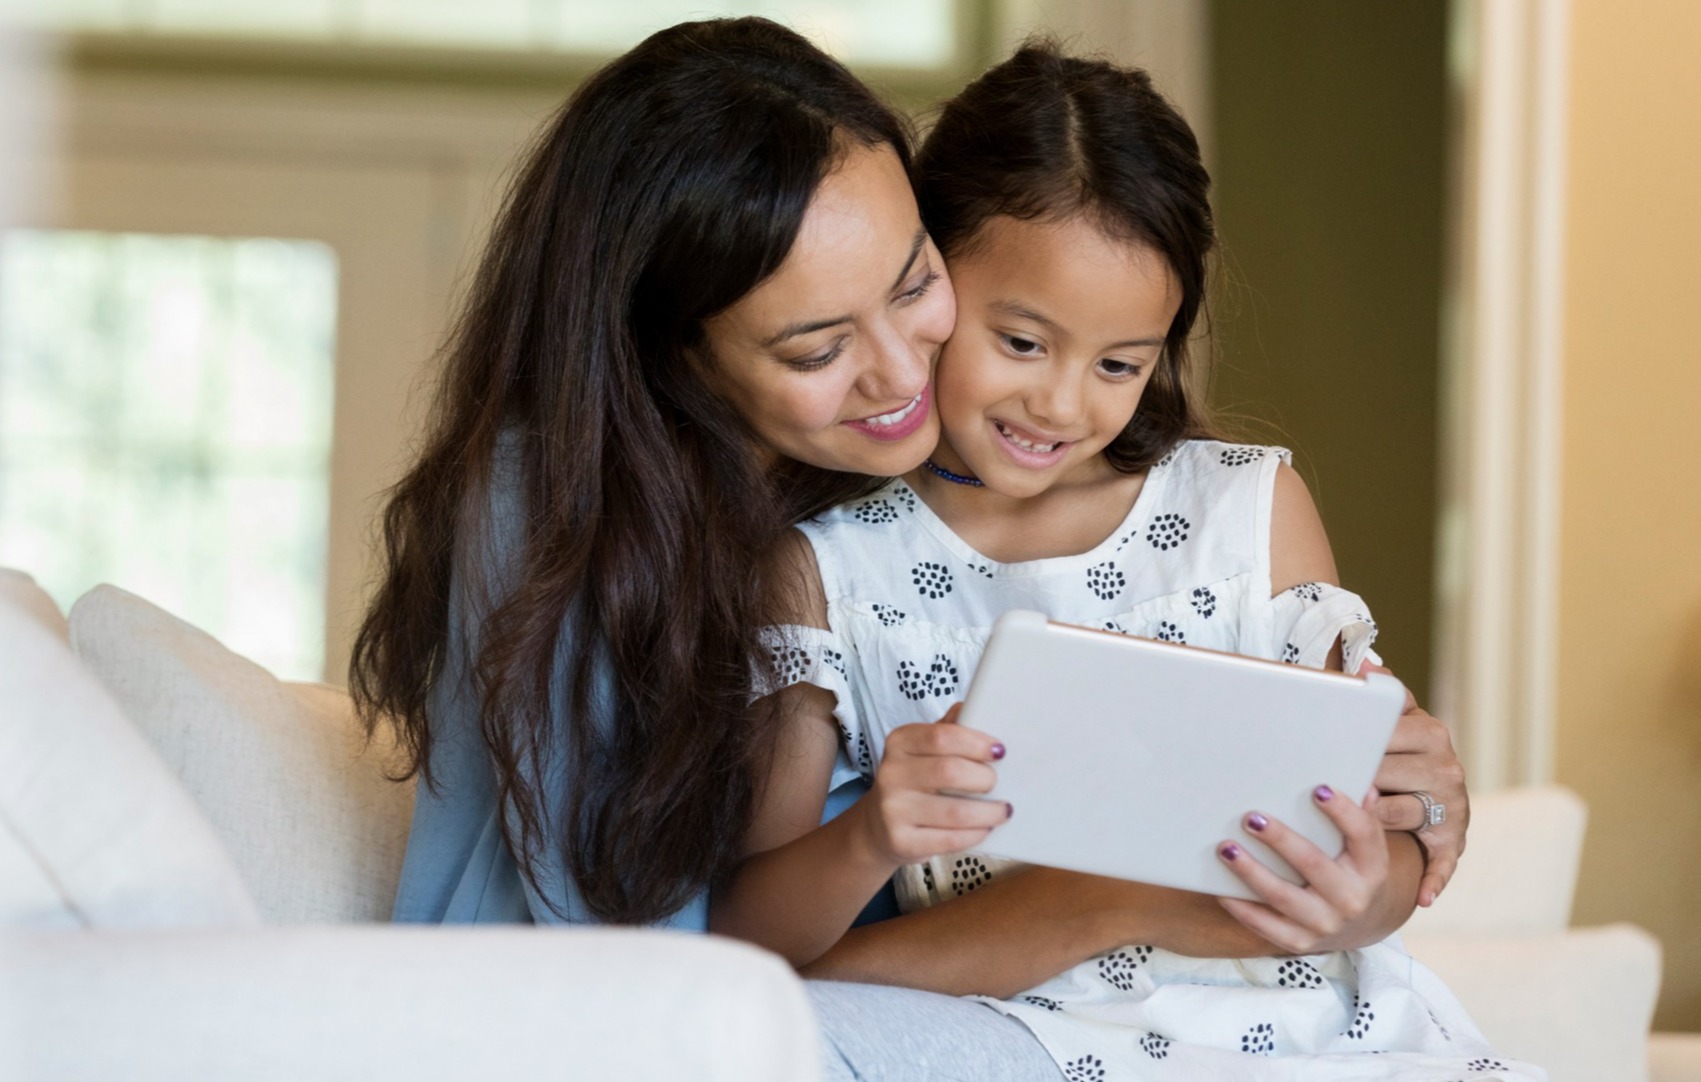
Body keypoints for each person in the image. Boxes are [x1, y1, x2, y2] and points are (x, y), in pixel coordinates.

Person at [351, 13, 1472, 1069]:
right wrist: (1083, 898)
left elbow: (1359, 827)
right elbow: (665, 966)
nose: (900, 377)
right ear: (674, 355)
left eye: (911, 283)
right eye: (815, 346)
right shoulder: (612, 515)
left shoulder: (1201, 504)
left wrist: (1411, 817)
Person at [718, 42, 1533, 1079]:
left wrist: (1364, 881)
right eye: (1020, 342)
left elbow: (1382, 856)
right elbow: (751, 941)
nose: (1062, 404)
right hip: (1010, 1032)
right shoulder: (827, 568)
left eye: (1117, 363)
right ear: (925, 281)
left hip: (1314, 1036)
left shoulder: (1245, 511)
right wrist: (873, 833)